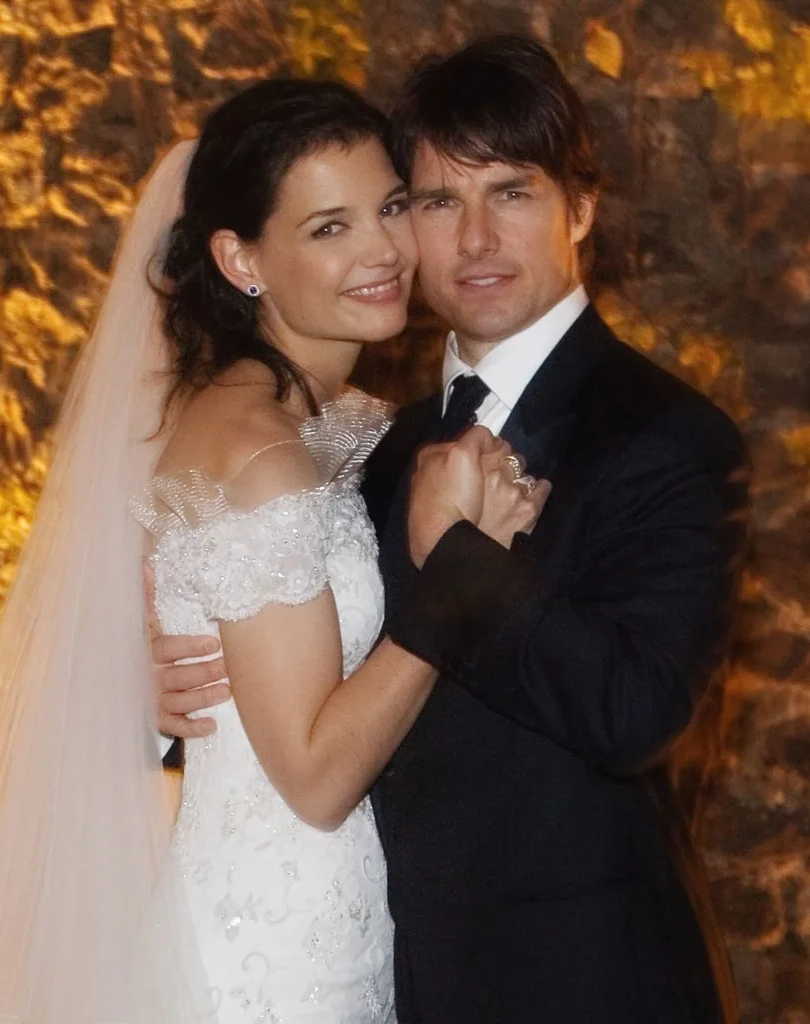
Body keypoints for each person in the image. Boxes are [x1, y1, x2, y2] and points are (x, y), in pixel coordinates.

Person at [158, 35, 750, 1024]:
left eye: (511, 192)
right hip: (382, 970)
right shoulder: (371, 442)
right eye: (434, 200)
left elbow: (635, 712)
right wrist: (171, 683)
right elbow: (297, 661)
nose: (474, 240)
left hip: (583, 984)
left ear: (582, 208)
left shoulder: (664, 436)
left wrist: (461, 561)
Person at [0, 79, 542, 1023]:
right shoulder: (265, 456)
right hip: (276, 947)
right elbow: (312, 779)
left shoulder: (310, 423)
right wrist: (459, 574)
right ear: (240, 258)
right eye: (327, 228)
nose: (383, 251)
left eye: (389, 208)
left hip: (303, 909)